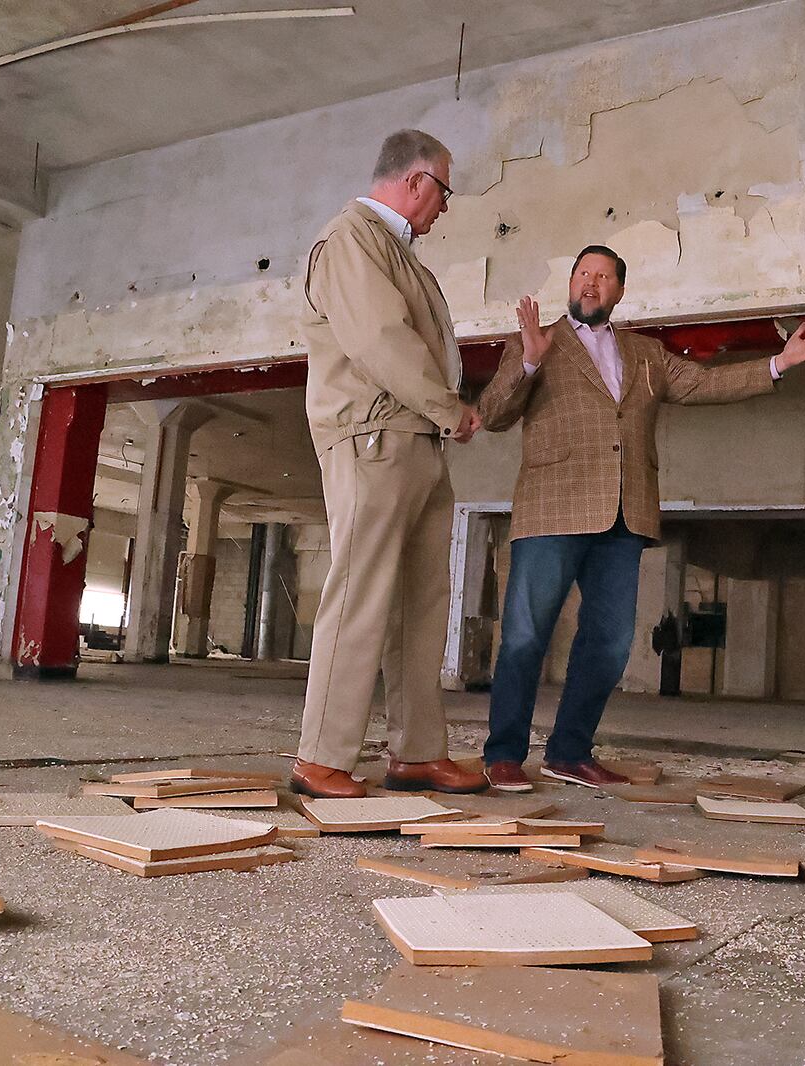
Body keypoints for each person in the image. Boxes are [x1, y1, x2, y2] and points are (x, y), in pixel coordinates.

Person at [477, 245, 805, 791]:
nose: (590, 284)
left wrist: (779, 362)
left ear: (619, 290)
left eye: (603, 277)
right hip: (553, 508)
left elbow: (702, 383)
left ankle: (569, 752)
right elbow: (495, 414)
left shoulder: (644, 352)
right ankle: (503, 755)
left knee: (611, 643)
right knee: (525, 636)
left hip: (625, 513)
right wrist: (527, 361)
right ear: (570, 283)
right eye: (582, 274)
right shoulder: (536, 343)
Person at [290, 129, 487, 799]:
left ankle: (416, 751)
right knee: (362, 595)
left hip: (415, 442)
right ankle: (321, 755)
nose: (445, 208)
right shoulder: (350, 240)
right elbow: (380, 339)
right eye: (445, 192)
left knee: (422, 605)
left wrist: (439, 415)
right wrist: (447, 406)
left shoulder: (396, 254)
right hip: (374, 438)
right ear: (415, 182)